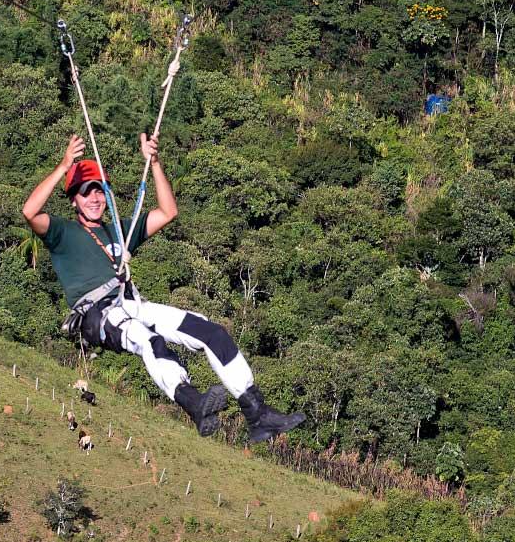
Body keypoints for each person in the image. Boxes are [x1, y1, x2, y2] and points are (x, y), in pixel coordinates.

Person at [21, 133, 305, 443]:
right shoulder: (64, 232)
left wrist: (154, 164)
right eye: (86, 193)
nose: (94, 199)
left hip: (133, 304)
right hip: (98, 314)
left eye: (99, 191)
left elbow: (168, 212)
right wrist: (64, 167)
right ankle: (192, 402)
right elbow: (30, 212)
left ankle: (258, 413)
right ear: (74, 199)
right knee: (149, 341)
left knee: (211, 332)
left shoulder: (120, 229)